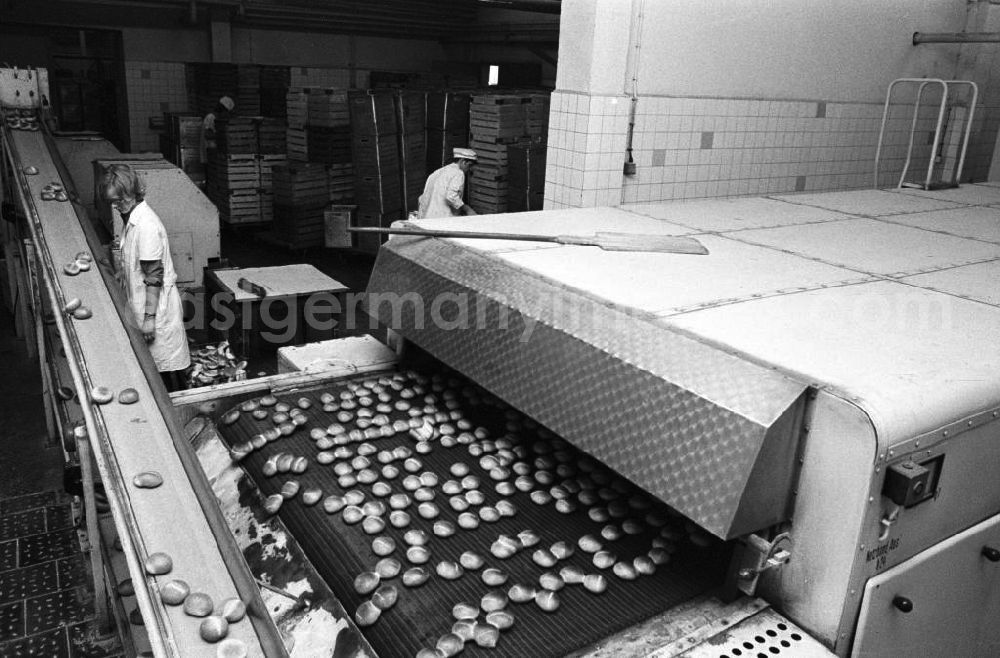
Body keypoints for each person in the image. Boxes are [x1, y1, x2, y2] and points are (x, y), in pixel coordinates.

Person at [99, 164, 191, 392]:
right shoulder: (131, 219)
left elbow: (153, 275)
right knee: (157, 370)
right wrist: (123, 271)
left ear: (131, 193)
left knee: (168, 375)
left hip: (156, 312)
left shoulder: (146, 225)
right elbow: (137, 263)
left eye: (119, 199)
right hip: (143, 306)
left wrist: (149, 319)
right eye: (112, 201)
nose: (116, 205)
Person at [417, 147, 478, 219]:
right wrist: (467, 209)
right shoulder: (458, 173)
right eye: (469, 165)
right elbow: (451, 197)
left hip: (427, 219)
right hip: (442, 219)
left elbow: (422, 198)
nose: (469, 170)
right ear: (463, 162)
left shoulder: (437, 172)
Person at [200, 95, 235, 165]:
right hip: (209, 146)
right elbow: (207, 133)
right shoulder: (211, 117)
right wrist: (220, 136)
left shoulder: (216, 117)